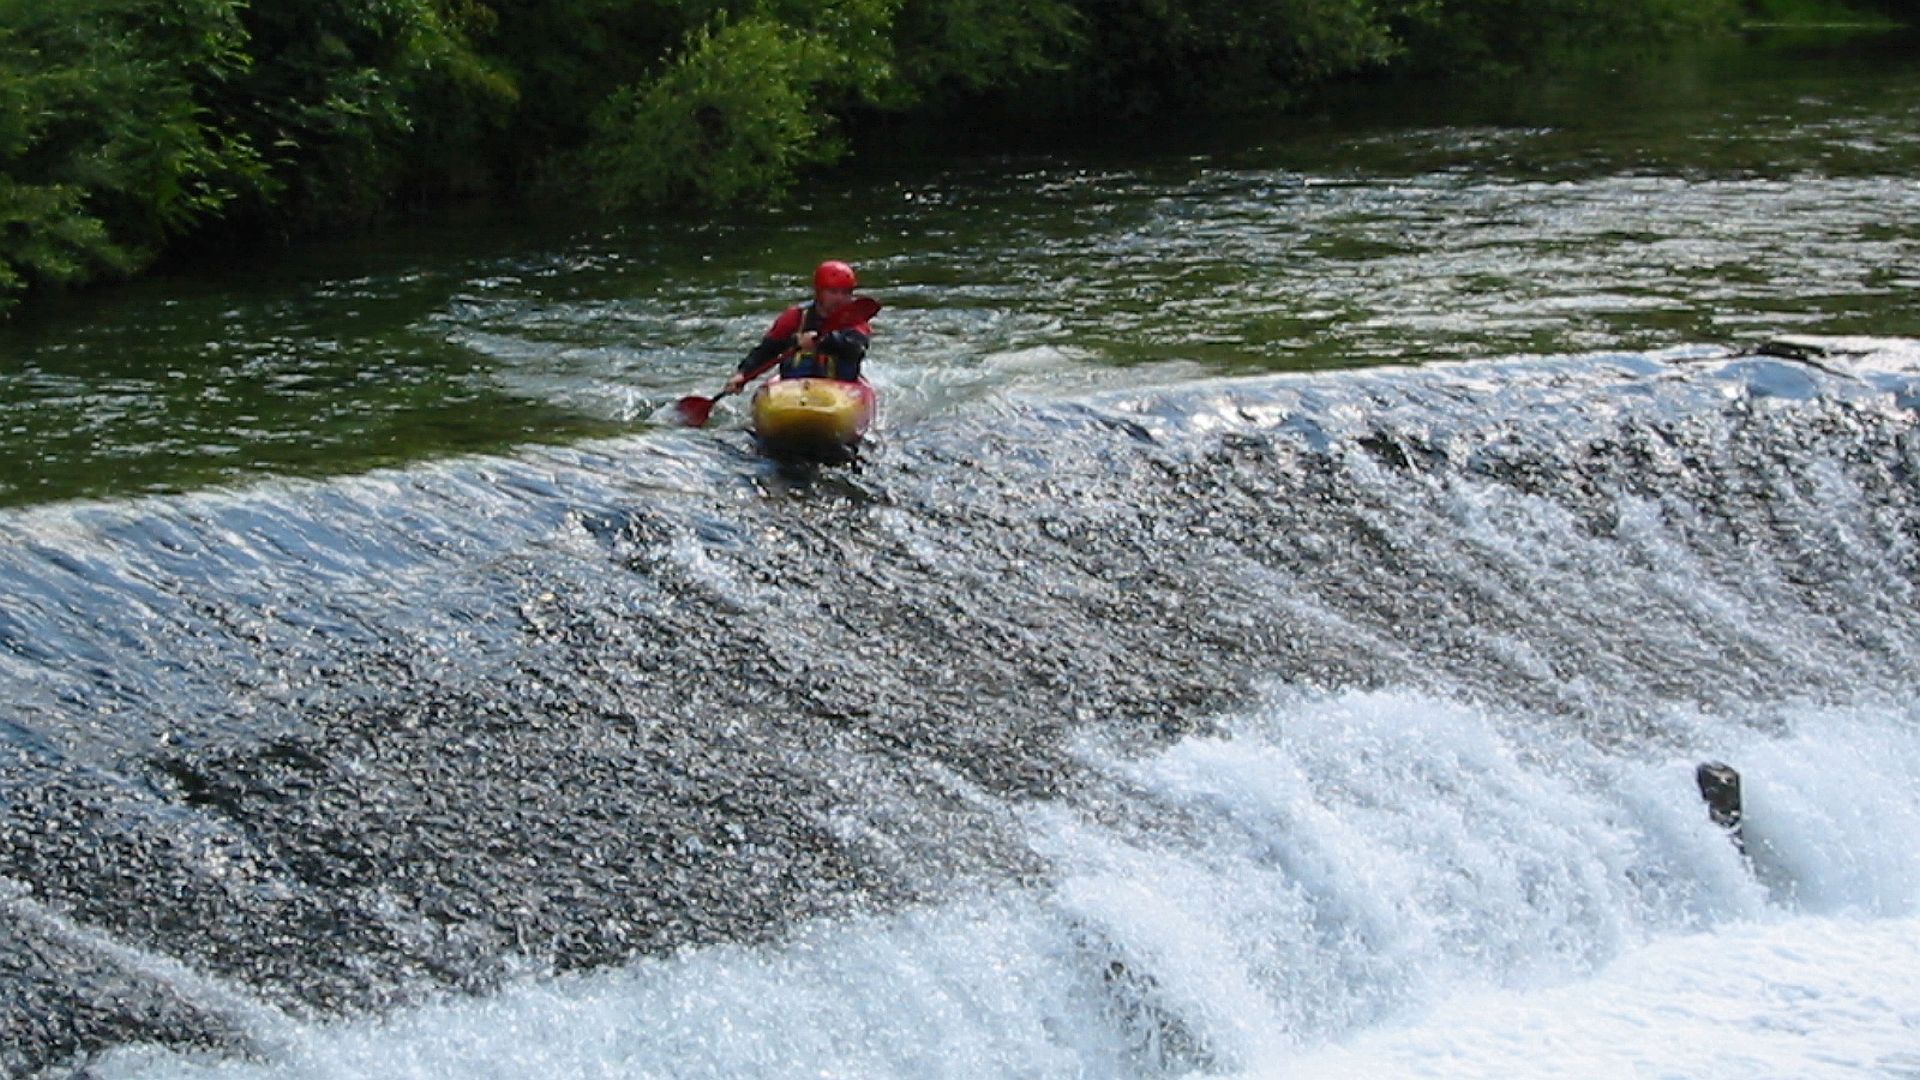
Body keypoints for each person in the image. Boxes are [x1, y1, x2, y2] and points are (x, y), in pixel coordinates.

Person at [722, 260, 872, 395]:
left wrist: (821, 340)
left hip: (839, 389)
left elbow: (856, 350)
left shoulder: (855, 320)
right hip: (793, 390)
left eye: (845, 293)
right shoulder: (795, 317)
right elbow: (767, 350)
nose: (840, 299)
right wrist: (743, 374)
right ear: (819, 292)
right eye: (833, 292)